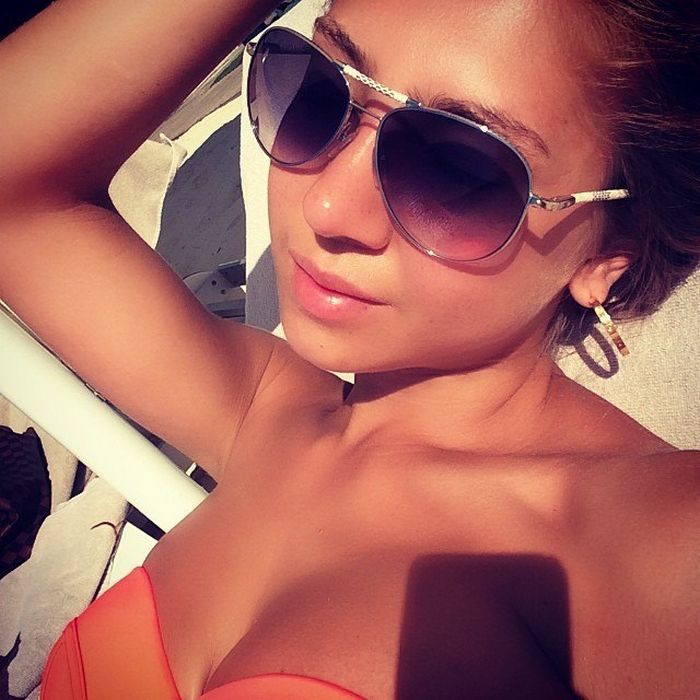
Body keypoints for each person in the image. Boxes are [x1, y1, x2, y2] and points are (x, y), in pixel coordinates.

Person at [0, 0, 698, 697]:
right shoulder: (262, 412)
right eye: (318, 91)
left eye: (459, 170)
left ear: (607, 255)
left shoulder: (656, 540)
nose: (327, 209)